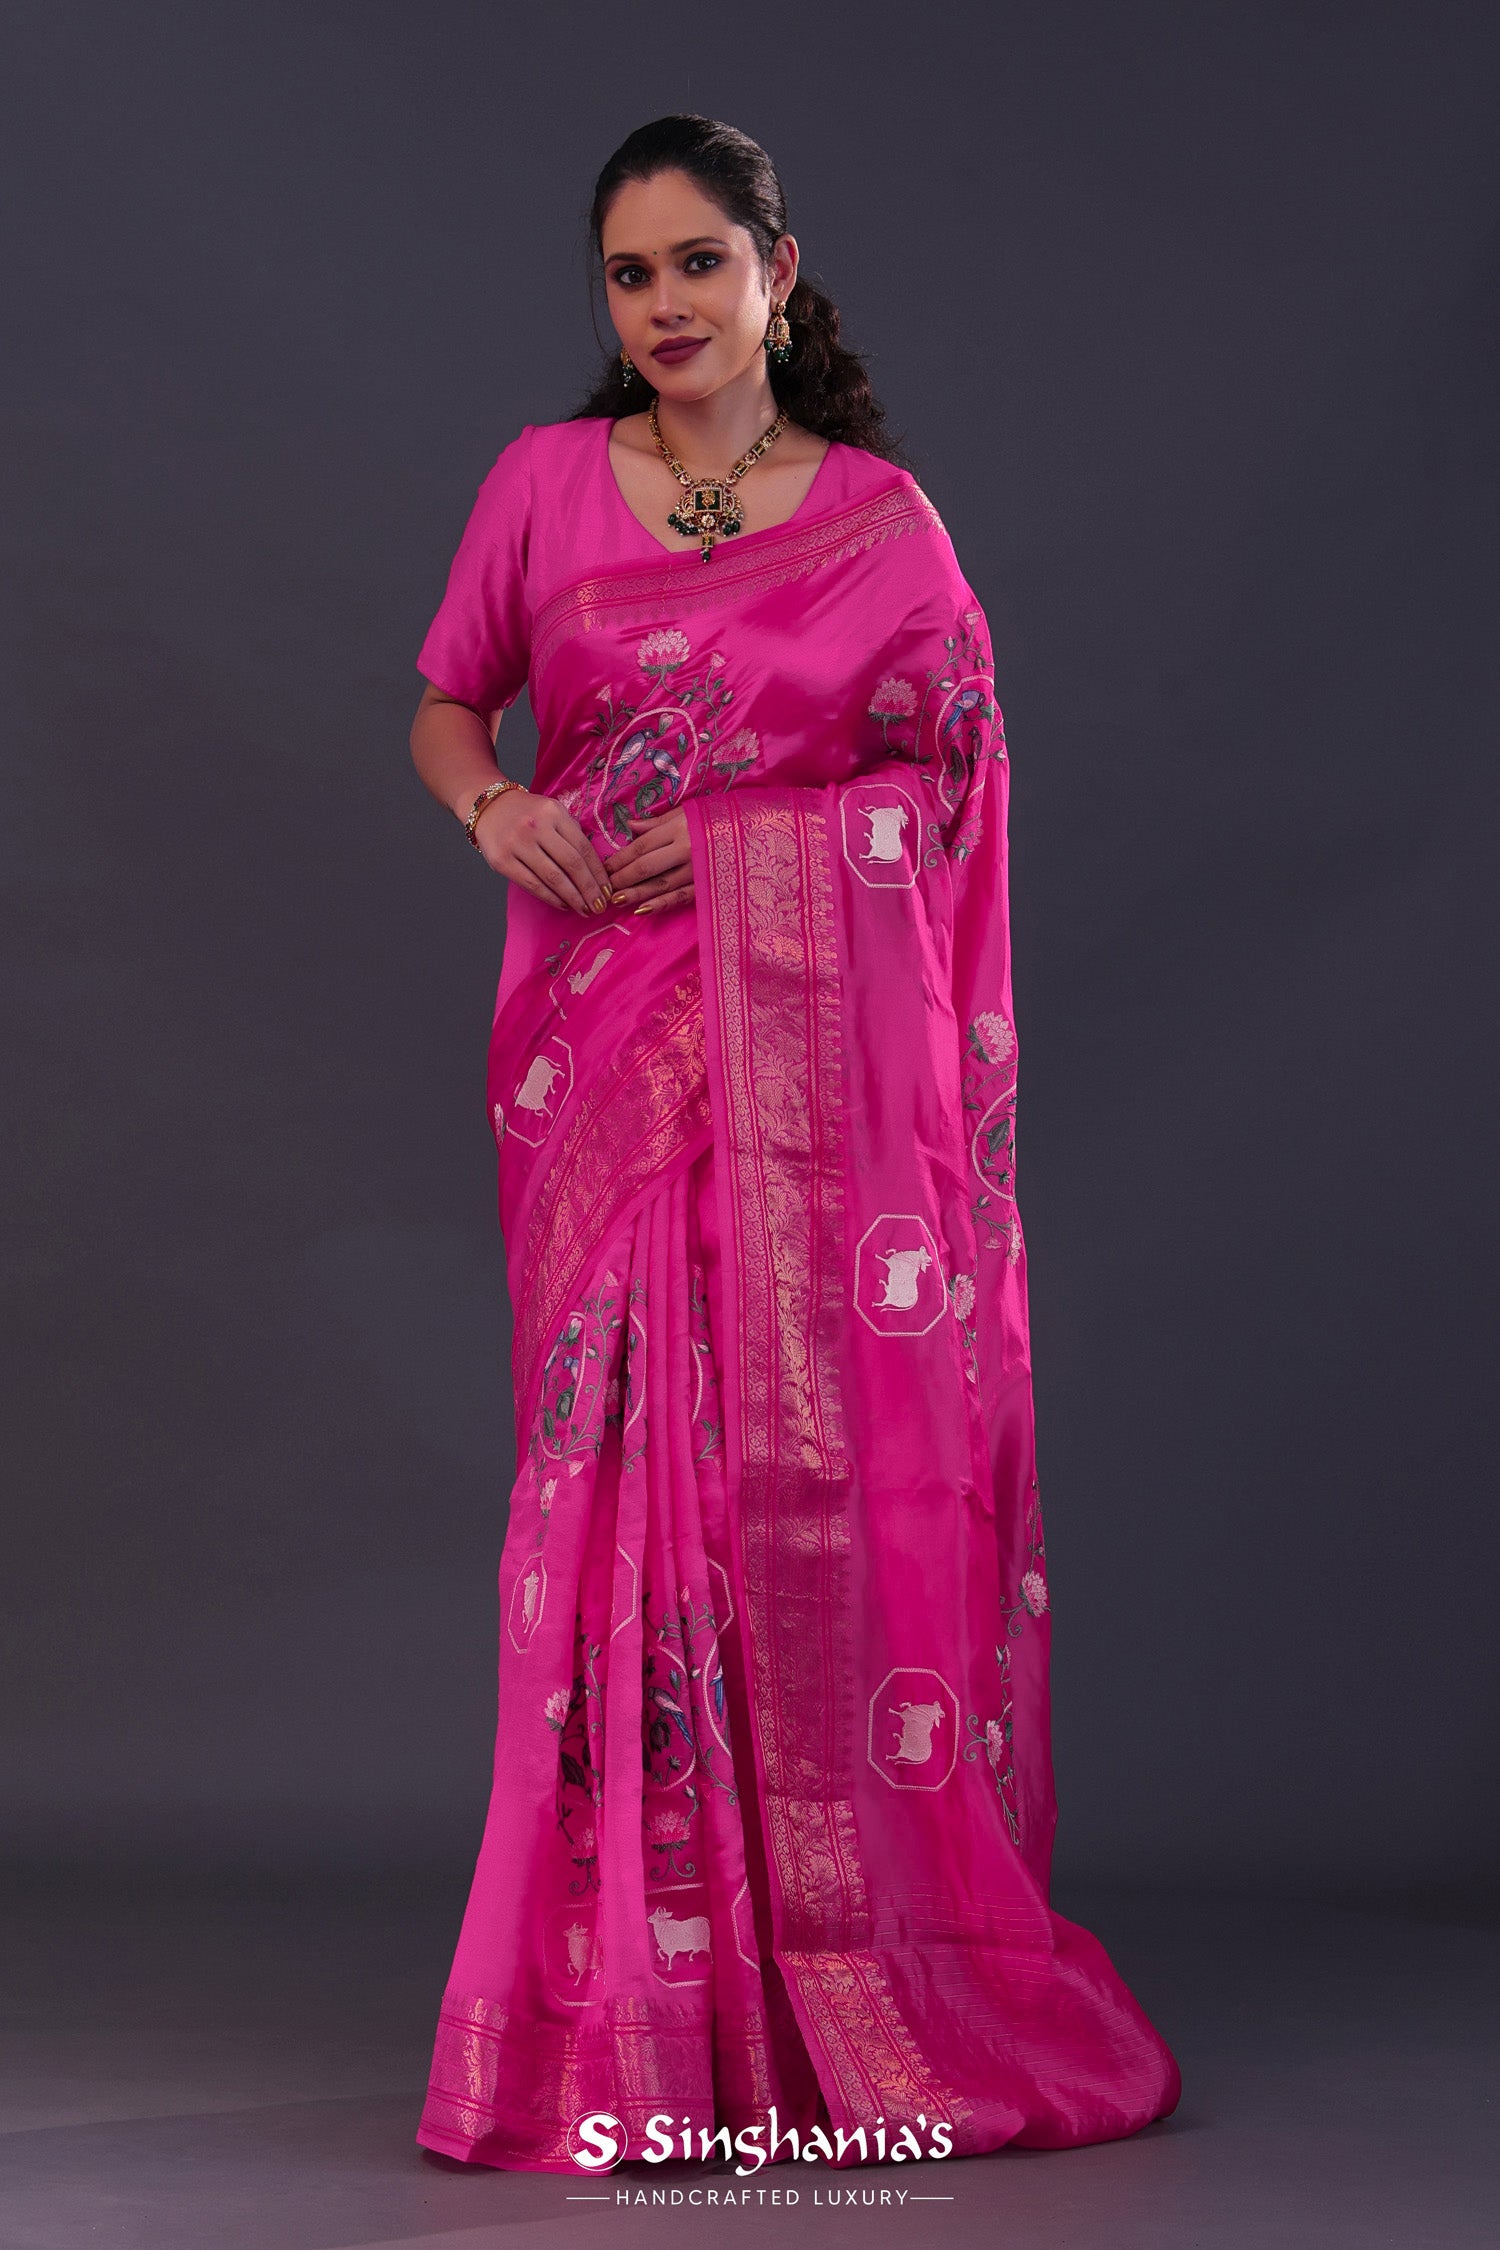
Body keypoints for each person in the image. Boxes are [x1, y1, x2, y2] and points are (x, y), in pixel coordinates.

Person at [407, 113, 1181, 2173]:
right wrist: (500, 809)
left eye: (699, 263)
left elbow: (950, 801)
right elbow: (447, 704)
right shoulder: (540, 485)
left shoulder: (885, 530)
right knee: (609, 1481)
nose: (665, 305)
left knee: (789, 1487)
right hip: (599, 1060)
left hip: (808, 1110)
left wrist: (755, 850)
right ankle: (633, 2006)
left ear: (778, 268)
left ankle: (820, 1983)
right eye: (629, 273)